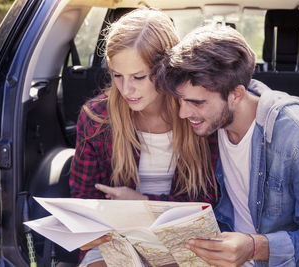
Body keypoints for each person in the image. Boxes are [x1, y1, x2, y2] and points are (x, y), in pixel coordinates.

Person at [155, 25, 299, 267]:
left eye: (196, 102)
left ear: (236, 94)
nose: (183, 113)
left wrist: (254, 247)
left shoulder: (297, 137)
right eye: (181, 101)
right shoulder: (212, 127)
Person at [69, 9, 218, 267]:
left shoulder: (196, 113)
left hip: (184, 240)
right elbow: (82, 198)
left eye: (138, 77)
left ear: (165, 71)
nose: (126, 89)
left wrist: (143, 204)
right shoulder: (96, 118)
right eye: (117, 75)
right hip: (115, 241)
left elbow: (208, 202)